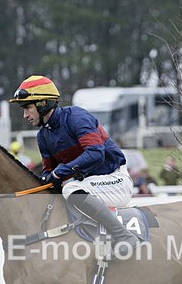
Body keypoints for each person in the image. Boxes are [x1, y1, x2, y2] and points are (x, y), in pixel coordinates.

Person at [9, 75, 138, 256]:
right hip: (88, 186)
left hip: (115, 181)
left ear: (43, 104)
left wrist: (59, 173)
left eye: (27, 108)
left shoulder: (77, 117)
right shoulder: (43, 136)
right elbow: (49, 172)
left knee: (69, 188)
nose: (25, 115)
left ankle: (123, 235)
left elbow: (95, 153)